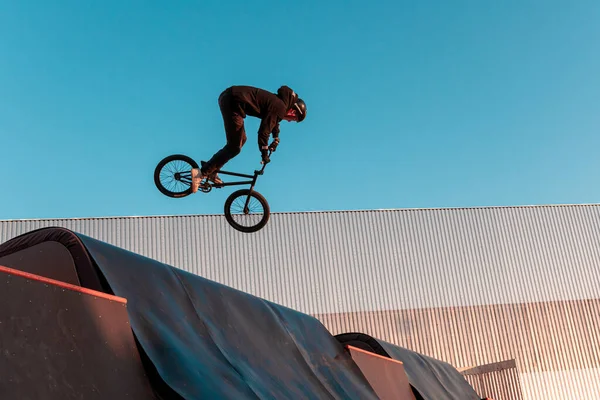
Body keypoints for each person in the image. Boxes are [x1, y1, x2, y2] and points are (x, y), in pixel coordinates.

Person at [191, 85, 307, 193]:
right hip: (232, 102)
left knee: (241, 140)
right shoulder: (280, 107)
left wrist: (276, 138)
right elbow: (263, 132)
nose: (289, 121)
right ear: (293, 111)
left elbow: (274, 122)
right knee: (234, 146)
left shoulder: (280, 104)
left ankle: (212, 171)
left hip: (232, 99)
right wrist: (264, 153)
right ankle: (201, 173)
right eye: (293, 119)